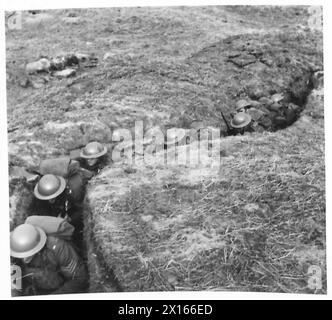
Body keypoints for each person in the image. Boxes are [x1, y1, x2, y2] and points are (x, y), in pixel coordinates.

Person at [10, 223, 88, 296]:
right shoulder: (15, 247)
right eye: (20, 255)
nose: (24, 259)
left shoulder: (60, 249)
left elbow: (80, 278)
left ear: (38, 250)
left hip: (58, 284)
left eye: (28, 255)